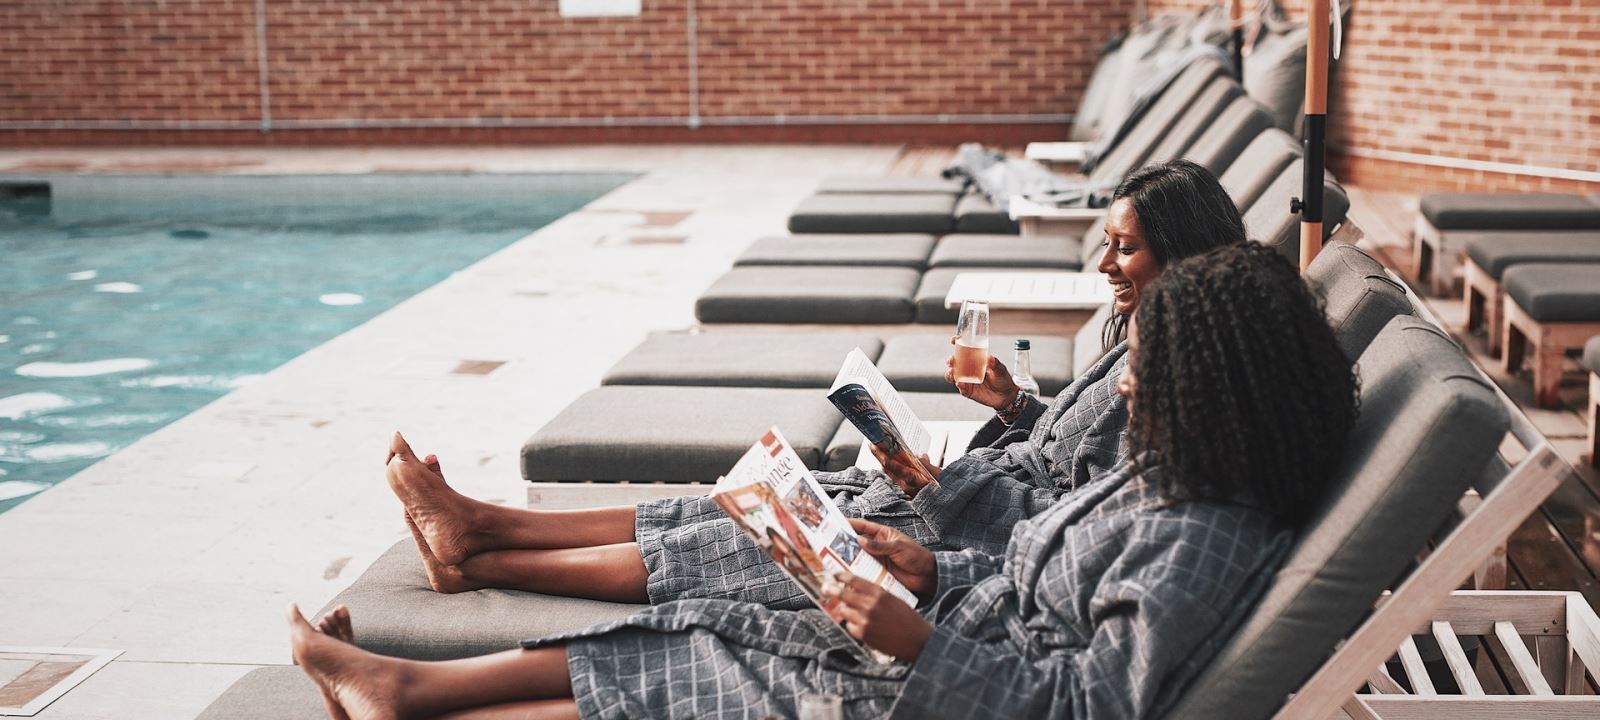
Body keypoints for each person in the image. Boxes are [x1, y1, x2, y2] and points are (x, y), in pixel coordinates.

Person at [291, 241, 1360, 720]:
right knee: (709, 625)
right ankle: (408, 689)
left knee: (704, 684)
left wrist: (918, 636)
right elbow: (1047, 583)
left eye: (1151, 370)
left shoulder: (1203, 536)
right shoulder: (1185, 479)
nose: (1128, 388)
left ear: (1222, 384)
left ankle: (407, 710)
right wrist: (929, 577)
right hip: (952, 650)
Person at [387, 160, 1249, 606]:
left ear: (1183, 247)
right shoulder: (1146, 330)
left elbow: (1079, 525)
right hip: (967, 493)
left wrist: (939, 485)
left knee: (747, 539)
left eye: (1124, 248)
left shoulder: (1183, 383)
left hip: (971, 541)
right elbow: (1070, 448)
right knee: (741, 497)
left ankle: (489, 559)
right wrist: (1015, 406)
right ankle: (488, 529)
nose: (1104, 264)